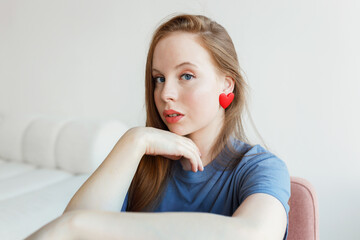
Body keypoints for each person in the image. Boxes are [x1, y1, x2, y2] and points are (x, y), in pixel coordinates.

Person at [26, 13, 290, 240]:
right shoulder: (140, 160)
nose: (165, 94)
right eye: (159, 79)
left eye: (186, 75)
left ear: (226, 84)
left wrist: (79, 224)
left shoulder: (260, 167)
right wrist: (134, 140)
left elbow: (254, 234)